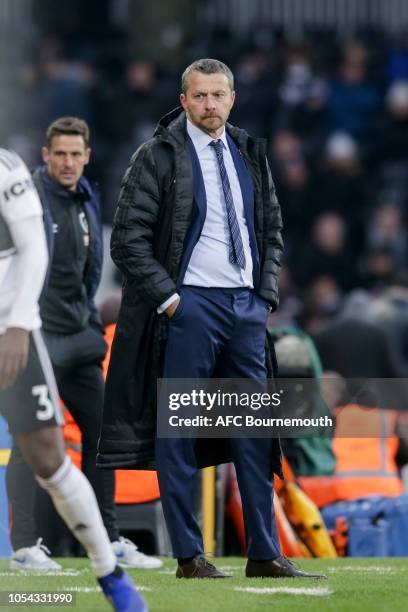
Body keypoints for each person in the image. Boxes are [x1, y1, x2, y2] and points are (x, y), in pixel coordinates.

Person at [98, 58, 326, 579]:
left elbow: (271, 229)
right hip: (190, 306)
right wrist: (172, 299)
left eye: (218, 95)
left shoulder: (250, 152)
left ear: (232, 98)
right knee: (178, 433)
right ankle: (189, 555)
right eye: (199, 96)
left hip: (245, 308)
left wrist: (263, 295)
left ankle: (263, 553)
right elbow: (127, 241)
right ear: (183, 100)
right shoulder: (155, 156)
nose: (210, 105)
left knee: (254, 432)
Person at [5, 118, 162, 571]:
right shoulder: (28, 198)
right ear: (46, 155)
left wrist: (90, 327)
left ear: (87, 156)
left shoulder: (85, 198)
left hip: (80, 339)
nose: (69, 162)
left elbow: (90, 273)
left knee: (103, 437)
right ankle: (25, 547)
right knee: (27, 442)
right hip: (40, 337)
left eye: (77, 154)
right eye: (61, 154)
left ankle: (110, 538)